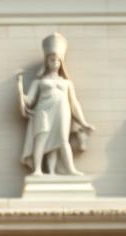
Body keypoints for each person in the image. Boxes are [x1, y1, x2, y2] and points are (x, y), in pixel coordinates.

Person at [18, 33, 94, 176]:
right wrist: (20, 90)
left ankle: (69, 169)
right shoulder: (39, 81)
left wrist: (83, 122)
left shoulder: (66, 83)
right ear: (47, 61)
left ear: (61, 63)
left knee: (62, 140)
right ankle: (38, 169)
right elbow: (29, 100)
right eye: (52, 60)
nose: (55, 63)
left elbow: (74, 103)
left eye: (58, 60)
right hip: (43, 111)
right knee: (41, 137)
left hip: (62, 111)